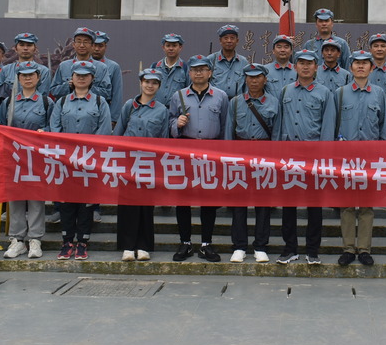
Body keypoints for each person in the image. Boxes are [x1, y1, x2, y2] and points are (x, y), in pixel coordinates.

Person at [273, 49, 336, 264]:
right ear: (295, 66)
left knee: (314, 206)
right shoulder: (285, 91)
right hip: (290, 154)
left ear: (316, 67)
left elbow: (328, 126)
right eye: (301, 63)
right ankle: (290, 248)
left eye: (310, 63)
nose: (305, 67)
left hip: (314, 155)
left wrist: (325, 155)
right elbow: (279, 122)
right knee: (288, 205)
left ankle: (312, 249)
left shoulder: (325, 93)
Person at [48, 60, 112, 260]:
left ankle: (83, 242)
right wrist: (64, 154)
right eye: (78, 75)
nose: (82, 78)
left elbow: (103, 132)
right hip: (66, 160)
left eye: (86, 75)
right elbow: (55, 128)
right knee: (66, 202)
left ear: (92, 78)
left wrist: (91, 156)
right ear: (71, 78)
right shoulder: (61, 102)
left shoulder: (100, 102)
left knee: (87, 203)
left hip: (89, 160)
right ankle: (67, 241)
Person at [168, 55, 229, 262]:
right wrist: (178, 123)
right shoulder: (179, 96)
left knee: (208, 200)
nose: (199, 73)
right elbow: (169, 122)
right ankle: (185, 242)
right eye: (195, 70)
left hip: (211, 151)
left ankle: (206, 243)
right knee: (183, 200)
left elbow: (224, 125)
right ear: (189, 73)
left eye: (203, 69)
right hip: (186, 150)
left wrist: (222, 153)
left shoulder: (220, 96)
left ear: (210, 73)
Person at [335, 50, 386, 266]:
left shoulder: (379, 94)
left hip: (370, 156)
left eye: (365, 63)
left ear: (371, 68)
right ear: (350, 67)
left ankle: (364, 249)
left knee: (366, 205)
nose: (360, 67)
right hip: (346, 156)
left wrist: (384, 155)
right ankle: (348, 248)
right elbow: (334, 123)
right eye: (356, 63)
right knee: (347, 204)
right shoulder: (340, 93)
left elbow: (384, 125)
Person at [114, 68, 170, 262]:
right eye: (147, 81)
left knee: (146, 205)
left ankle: (143, 246)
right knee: (127, 205)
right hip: (128, 162)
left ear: (159, 86)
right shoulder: (129, 106)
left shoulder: (162, 110)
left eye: (154, 83)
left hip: (149, 162)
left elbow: (164, 140)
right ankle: (127, 246)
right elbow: (118, 134)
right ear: (140, 83)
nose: (150, 85)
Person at [225, 63, 279, 263]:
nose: (253, 81)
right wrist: (229, 157)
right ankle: (239, 246)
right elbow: (229, 131)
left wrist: (276, 159)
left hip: (265, 154)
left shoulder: (274, 102)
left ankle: (260, 246)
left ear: (265, 79)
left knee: (263, 203)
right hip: (241, 153)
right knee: (239, 202)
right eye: (250, 77)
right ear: (245, 79)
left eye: (257, 77)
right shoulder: (236, 102)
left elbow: (278, 132)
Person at [0, 61, 51, 259]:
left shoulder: (46, 102)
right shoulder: (8, 102)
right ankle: (17, 239)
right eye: (23, 76)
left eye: (31, 75)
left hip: (37, 157)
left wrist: (43, 132)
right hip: (14, 156)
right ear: (18, 79)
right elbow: (1, 126)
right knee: (15, 197)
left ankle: (35, 239)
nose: (27, 79)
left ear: (38, 78)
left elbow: (53, 128)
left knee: (36, 197)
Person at [50, 27, 112, 104]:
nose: (82, 45)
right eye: (78, 41)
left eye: (86, 42)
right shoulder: (64, 66)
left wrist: (87, 86)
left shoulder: (101, 67)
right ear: (73, 44)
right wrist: (68, 86)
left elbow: (106, 93)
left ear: (92, 45)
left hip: (92, 112)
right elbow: (53, 91)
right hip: (67, 112)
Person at [0, 32, 51, 98]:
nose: (25, 48)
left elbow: (43, 97)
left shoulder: (44, 71)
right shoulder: (6, 70)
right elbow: (0, 96)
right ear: (15, 49)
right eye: (21, 45)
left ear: (35, 49)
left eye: (29, 45)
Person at [210, 24, 250, 99]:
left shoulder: (243, 62)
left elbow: (246, 86)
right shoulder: (211, 59)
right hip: (215, 102)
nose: (229, 41)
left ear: (237, 41)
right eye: (226, 38)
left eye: (232, 38)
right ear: (220, 41)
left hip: (236, 103)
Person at [92, 30, 123, 121]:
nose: (97, 49)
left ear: (105, 47)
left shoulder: (113, 67)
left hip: (104, 112)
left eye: (100, 45)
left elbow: (117, 94)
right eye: (94, 45)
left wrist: (113, 119)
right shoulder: (80, 64)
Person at [152, 33, 188, 106]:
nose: (171, 48)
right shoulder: (155, 67)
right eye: (168, 45)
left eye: (174, 46)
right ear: (163, 47)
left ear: (180, 47)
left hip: (177, 113)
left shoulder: (185, 68)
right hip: (157, 112)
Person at [265, 34, 297, 98]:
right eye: (279, 47)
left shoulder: (298, 70)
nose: (282, 50)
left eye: (286, 47)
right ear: (273, 51)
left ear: (291, 51)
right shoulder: (265, 70)